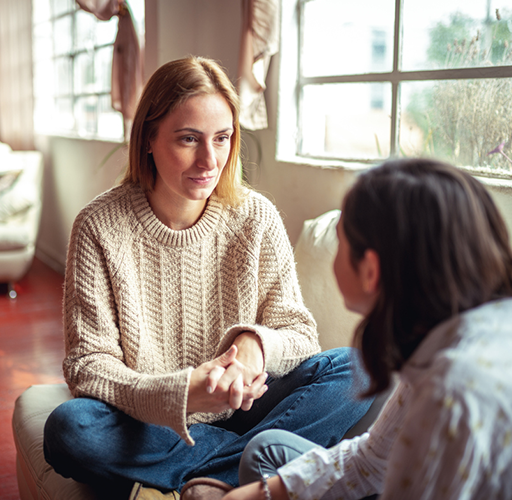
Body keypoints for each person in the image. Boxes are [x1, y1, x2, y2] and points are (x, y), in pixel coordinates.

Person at [42, 56, 374, 500]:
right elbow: (89, 366)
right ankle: (249, 471)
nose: (209, 159)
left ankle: (216, 480)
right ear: (148, 139)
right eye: (188, 139)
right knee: (70, 429)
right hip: (154, 420)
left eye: (222, 138)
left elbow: (299, 333)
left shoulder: (255, 217)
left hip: (250, 406)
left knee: (363, 365)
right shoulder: (99, 226)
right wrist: (185, 394)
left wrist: (254, 348)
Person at [222, 158, 512, 500]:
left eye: (342, 237)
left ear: (371, 270)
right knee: (266, 452)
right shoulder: (459, 336)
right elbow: (371, 461)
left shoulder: (453, 390)